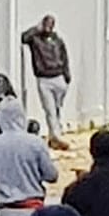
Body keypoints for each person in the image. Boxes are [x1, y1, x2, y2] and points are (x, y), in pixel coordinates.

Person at [21, 16, 72, 150]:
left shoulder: (58, 40)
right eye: (46, 24)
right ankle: (56, 135)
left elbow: (64, 57)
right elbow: (24, 38)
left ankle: (53, 136)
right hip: (44, 78)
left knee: (57, 108)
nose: (48, 27)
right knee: (49, 109)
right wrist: (36, 29)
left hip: (59, 76)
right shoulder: (35, 39)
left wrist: (67, 76)